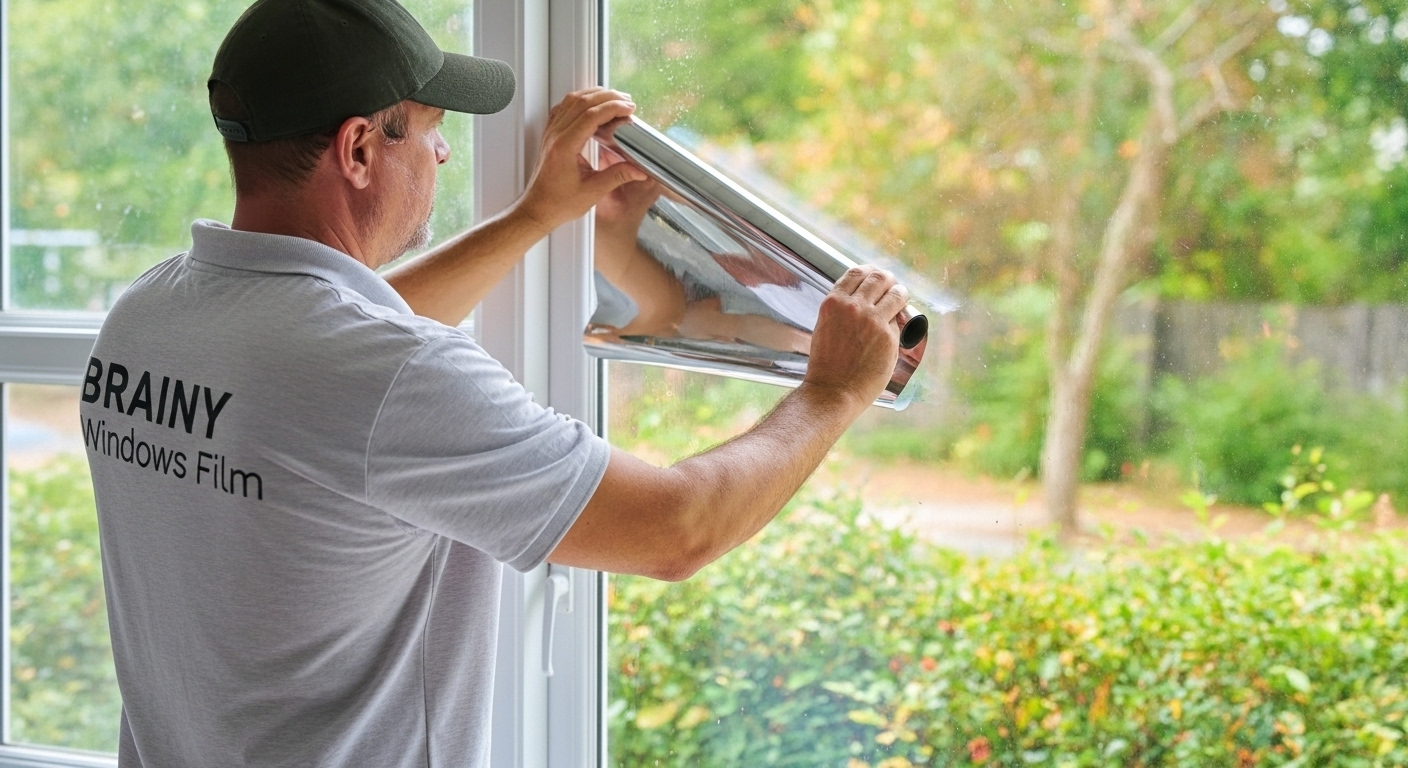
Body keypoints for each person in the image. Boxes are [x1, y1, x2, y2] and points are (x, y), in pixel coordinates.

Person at [79, 0, 910, 766]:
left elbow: (335, 362)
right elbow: (675, 530)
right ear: (360, 149)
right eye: (432, 129)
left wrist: (532, 220)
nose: (444, 151)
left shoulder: (152, 316)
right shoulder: (377, 375)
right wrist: (830, 392)